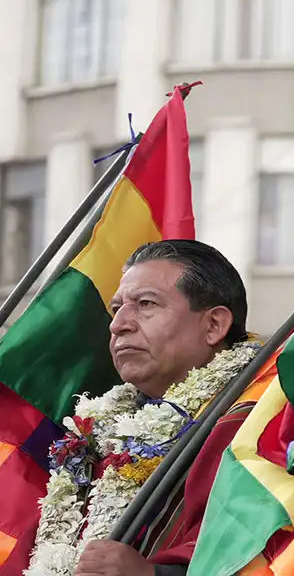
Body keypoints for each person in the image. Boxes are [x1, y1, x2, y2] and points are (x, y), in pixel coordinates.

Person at [27, 240, 262, 576]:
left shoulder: (255, 421)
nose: (118, 324)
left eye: (146, 304)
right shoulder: (102, 430)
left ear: (213, 326)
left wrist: (152, 575)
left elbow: (271, 554)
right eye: (116, 308)